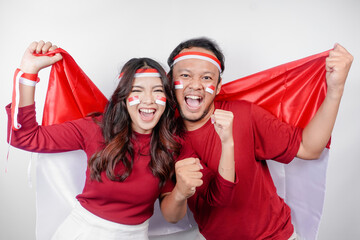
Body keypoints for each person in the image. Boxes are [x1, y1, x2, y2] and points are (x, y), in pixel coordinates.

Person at [6, 41, 236, 240]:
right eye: (138, 90)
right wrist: (28, 73)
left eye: (157, 91)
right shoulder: (94, 129)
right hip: (83, 233)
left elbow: (180, 213)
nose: (149, 100)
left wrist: (182, 191)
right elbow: (25, 137)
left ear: (166, 99)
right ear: (123, 99)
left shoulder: (173, 144)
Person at [167, 37, 353, 240]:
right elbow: (172, 215)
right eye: (185, 75)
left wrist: (336, 89)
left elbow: (309, 148)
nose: (196, 85)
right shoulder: (167, 139)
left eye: (206, 78)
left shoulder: (245, 115)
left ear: (219, 86)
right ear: (170, 82)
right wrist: (180, 192)